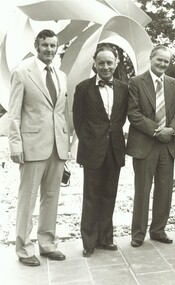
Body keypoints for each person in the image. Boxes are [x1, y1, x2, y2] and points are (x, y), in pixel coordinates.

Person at [8, 29, 69, 266]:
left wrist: (67, 144)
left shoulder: (61, 75)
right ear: (37, 45)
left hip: (57, 146)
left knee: (51, 197)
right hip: (32, 146)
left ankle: (47, 244)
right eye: (45, 45)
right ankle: (24, 249)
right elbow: (14, 113)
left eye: (53, 46)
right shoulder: (23, 73)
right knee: (28, 199)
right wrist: (15, 145)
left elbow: (61, 112)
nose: (49, 50)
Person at [72, 44, 129, 257]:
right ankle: (89, 242)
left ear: (116, 64)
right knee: (91, 196)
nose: (105, 67)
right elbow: (78, 120)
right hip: (92, 150)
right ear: (94, 64)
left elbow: (119, 119)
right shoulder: (83, 88)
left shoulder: (124, 88)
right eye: (101, 63)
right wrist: (90, 141)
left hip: (114, 150)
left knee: (109, 195)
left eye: (109, 63)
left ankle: (106, 239)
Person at [126, 45, 175, 247]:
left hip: (168, 145)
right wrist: (157, 130)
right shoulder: (135, 82)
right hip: (145, 144)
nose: (162, 64)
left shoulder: (174, 84)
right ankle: (138, 234)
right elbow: (133, 113)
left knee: (164, 190)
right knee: (142, 190)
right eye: (159, 60)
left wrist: (172, 130)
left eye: (166, 61)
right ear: (151, 58)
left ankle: (158, 230)